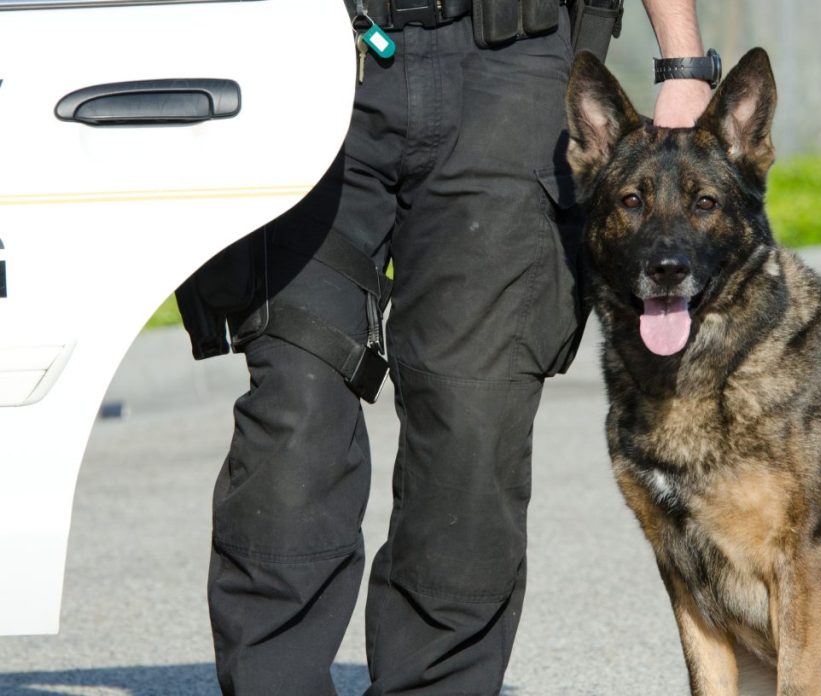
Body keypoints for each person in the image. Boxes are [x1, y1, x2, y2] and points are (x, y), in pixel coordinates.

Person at [204, 1, 714, 693]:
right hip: (306, 57)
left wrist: (682, 59)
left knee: (475, 421)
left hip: (506, 68)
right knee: (296, 407)